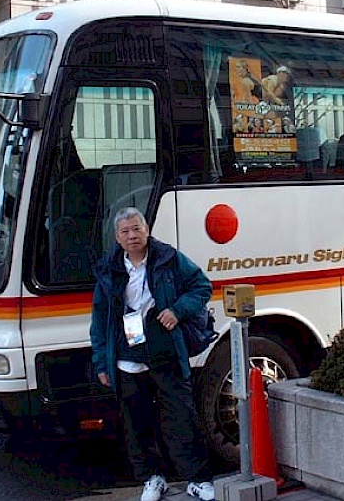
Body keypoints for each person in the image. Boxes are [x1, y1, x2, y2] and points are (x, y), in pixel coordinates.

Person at [90, 207, 215, 501]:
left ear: (147, 230)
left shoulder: (168, 258)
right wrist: (101, 361)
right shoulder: (109, 268)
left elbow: (201, 286)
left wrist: (177, 311)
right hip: (126, 356)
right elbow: (99, 319)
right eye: (125, 231)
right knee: (136, 422)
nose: (132, 235)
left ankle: (198, 479)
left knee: (182, 417)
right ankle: (152, 478)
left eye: (137, 229)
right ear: (117, 238)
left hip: (166, 351)